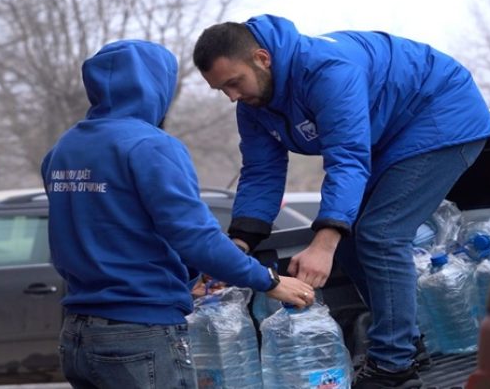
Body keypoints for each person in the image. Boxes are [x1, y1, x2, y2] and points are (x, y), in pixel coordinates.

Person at [193, 15, 490, 389]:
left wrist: (324, 241)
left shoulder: (327, 71)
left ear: (262, 58)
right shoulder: (253, 107)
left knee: (380, 234)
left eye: (233, 83)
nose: (232, 97)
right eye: (221, 90)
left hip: (440, 115)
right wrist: (239, 244)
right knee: (352, 239)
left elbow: (348, 157)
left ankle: (393, 367)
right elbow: (260, 172)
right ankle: (406, 343)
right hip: (386, 137)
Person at [40, 39, 315, 389]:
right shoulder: (151, 145)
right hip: (140, 335)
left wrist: (186, 279)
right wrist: (269, 281)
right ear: (156, 84)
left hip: (77, 335)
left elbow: (109, 231)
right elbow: (194, 235)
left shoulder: (63, 149)